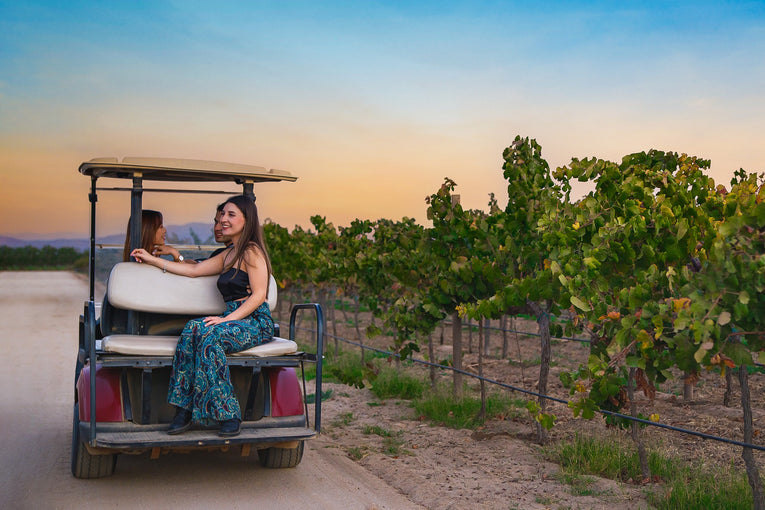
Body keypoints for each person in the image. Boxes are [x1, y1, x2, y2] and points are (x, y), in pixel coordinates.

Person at [130, 195, 274, 437]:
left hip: (254, 321)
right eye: (223, 215)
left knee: (208, 335)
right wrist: (153, 259)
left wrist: (227, 320)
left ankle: (228, 413)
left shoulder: (251, 251)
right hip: (233, 319)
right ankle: (183, 409)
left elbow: (259, 295)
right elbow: (194, 270)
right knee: (191, 329)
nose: (224, 220)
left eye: (231, 215)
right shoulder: (229, 254)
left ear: (246, 220)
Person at [122, 209, 190, 263]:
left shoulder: (147, 262)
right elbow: (186, 273)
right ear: (149, 231)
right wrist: (175, 253)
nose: (165, 230)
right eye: (161, 227)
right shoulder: (149, 264)